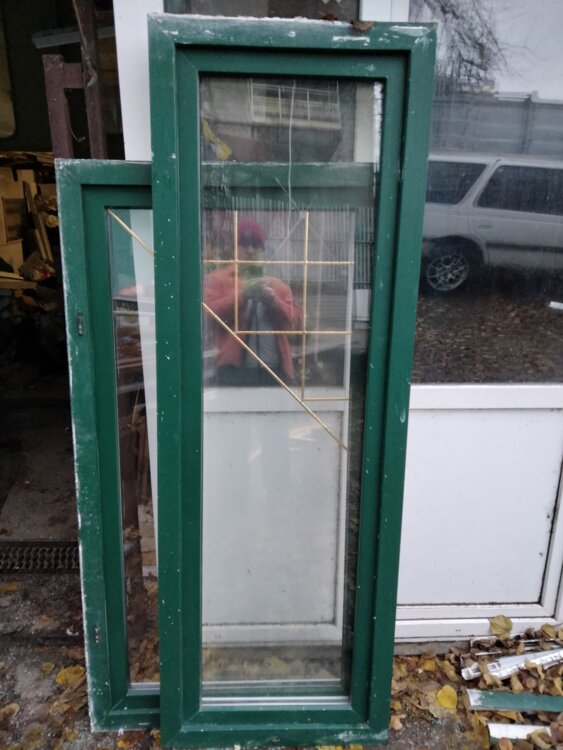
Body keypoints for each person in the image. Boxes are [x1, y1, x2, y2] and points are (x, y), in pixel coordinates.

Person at [203, 218, 302, 386]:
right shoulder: (217, 280)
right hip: (232, 372)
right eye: (244, 244)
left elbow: (297, 323)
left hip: (275, 372)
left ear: (262, 250)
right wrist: (243, 295)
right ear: (235, 249)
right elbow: (206, 317)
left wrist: (273, 301)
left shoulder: (277, 286)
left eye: (255, 245)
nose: (250, 250)